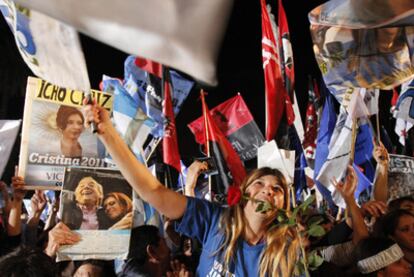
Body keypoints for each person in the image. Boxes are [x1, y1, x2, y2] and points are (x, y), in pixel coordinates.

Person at [84, 102, 359, 276]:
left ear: (283, 206)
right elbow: (152, 191)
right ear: (246, 194)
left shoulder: (287, 252)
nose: (268, 190)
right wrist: (107, 133)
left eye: (278, 189)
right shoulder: (215, 220)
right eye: (260, 184)